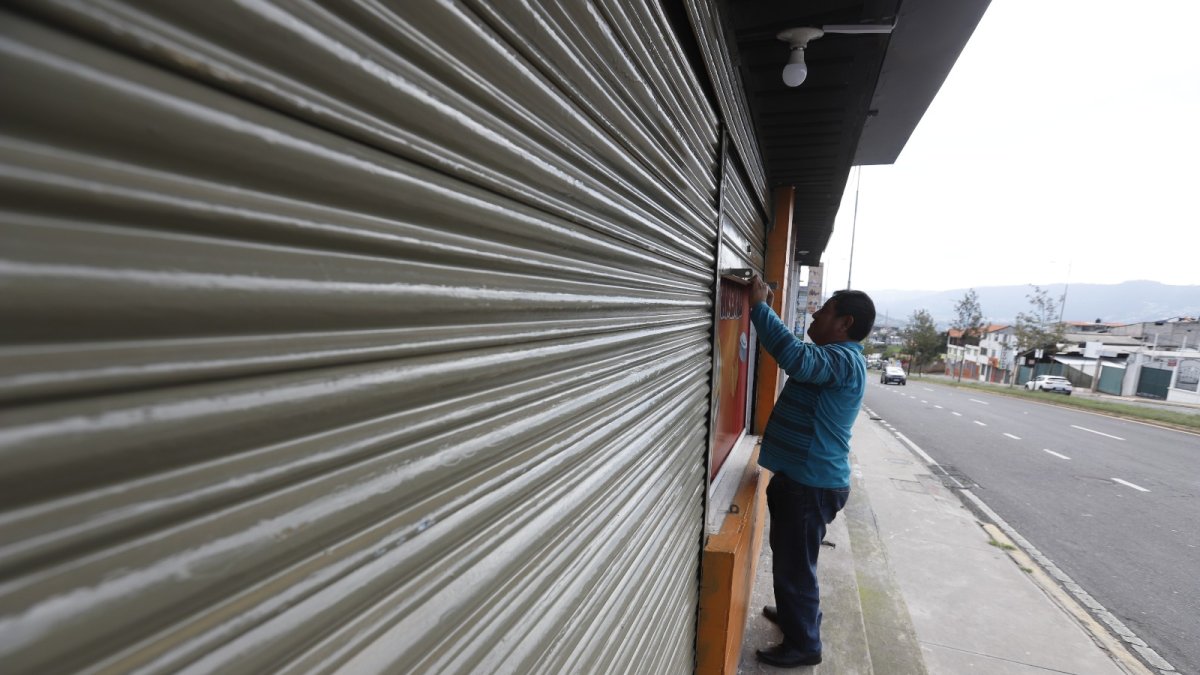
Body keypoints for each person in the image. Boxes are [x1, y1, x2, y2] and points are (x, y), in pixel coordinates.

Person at [748, 276, 875, 668]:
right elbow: (802, 356)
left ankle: (804, 644)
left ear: (845, 323)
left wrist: (758, 307)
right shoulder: (839, 358)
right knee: (793, 561)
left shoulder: (842, 359)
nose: (815, 314)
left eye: (825, 310)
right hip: (806, 480)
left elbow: (796, 358)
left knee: (795, 567)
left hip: (810, 484)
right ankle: (795, 617)